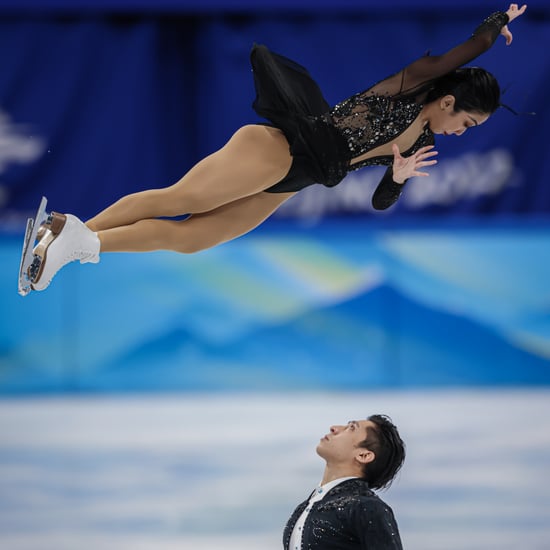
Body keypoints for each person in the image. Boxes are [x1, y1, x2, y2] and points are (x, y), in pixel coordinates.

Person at [27, 5, 527, 292]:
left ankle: (72, 241)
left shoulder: (419, 142)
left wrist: (396, 176)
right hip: (279, 149)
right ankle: (72, 234)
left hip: (291, 183)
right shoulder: (408, 85)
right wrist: (493, 25)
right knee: (178, 200)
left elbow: (380, 202)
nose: (462, 132)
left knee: (191, 239)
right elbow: (456, 55)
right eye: (466, 121)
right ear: (447, 99)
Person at [284, 415, 406, 550]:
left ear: (363, 455)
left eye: (351, 428)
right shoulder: (306, 506)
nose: (334, 428)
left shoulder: (367, 507)